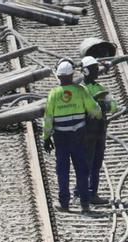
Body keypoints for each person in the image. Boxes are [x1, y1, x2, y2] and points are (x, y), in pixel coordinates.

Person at [43, 59, 102, 213]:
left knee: (62, 170)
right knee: (81, 169)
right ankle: (85, 204)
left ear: (59, 77)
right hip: (79, 136)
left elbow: (48, 118)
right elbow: (95, 111)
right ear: (71, 75)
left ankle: (64, 204)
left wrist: (46, 137)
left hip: (61, 138)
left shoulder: (54, 94)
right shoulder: (81, 91)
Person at [82, 55, 117, 205]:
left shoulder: (100, 88)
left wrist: (104, 106)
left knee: (96, 163)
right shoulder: (81, 89)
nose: (97, 71)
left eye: (97, 68)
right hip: (87, 132)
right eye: (94, 69)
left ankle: (90, 192)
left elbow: (114, 106)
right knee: (87, 162)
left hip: (99, 131)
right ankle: (85, 191)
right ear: (86, 71)